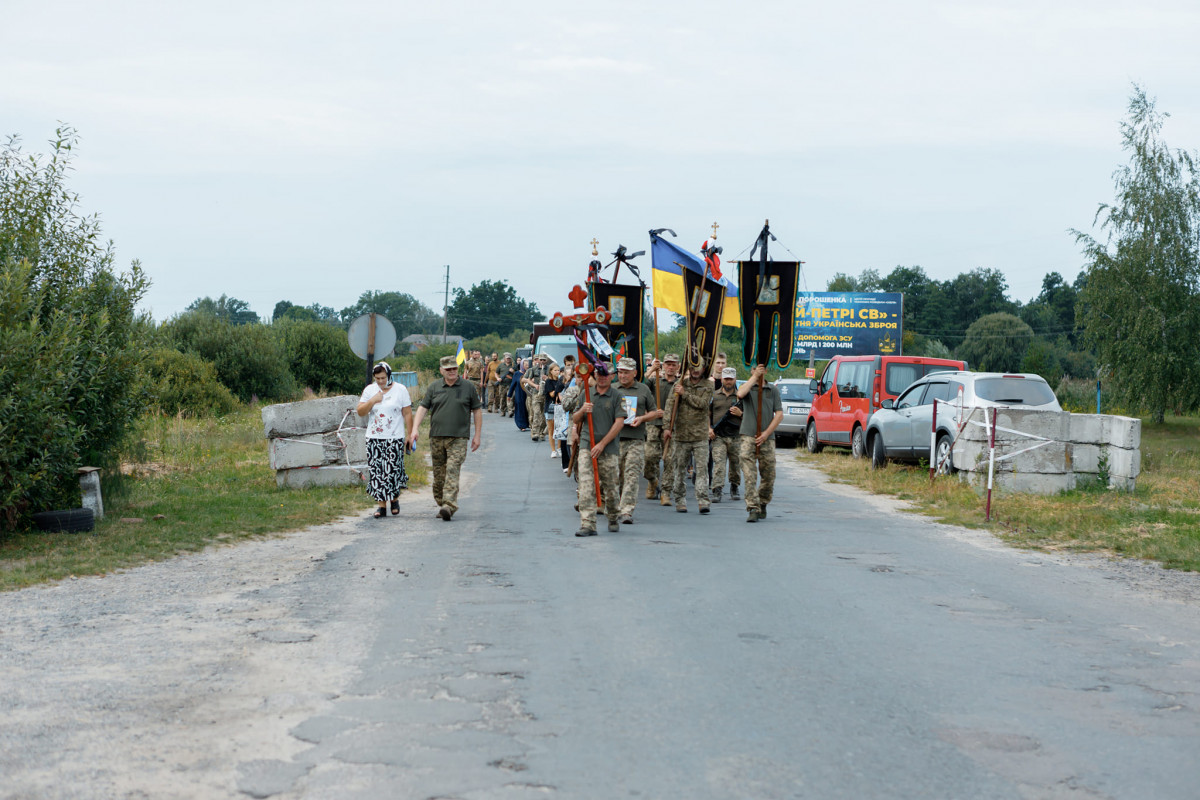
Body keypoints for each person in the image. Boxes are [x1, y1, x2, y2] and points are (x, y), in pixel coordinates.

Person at [409, 355, 483, 521]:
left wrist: (477, 435)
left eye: (454, 369)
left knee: (452, 469)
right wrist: (415, 429)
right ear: (441, 370)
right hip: (436, 437)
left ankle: (449, 505)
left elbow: (477, 411)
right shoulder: (434, 387)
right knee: (439, 475)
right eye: (448, 369)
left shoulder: (468, 387)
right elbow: (422, 408)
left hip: (459, 437)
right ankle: (442, 502)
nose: (452, 372)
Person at [571, 363, 624, 536]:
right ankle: (588, 523)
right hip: (587, 445)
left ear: (612, 376)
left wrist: (602, 444)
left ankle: (613, 515)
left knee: (611, 487)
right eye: (599, 374)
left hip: (608, 448)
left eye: (606, 374)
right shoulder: (587, 393)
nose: (602, 377)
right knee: (586, 486)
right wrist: (583, 411)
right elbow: (575, 418)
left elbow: (619, 422)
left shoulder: (616, 396)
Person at [356, 362, 413, 518]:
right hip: (374, 437)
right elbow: (360, 412)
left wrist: (410, 434)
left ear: (389, 375)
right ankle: (381, 506)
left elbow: (407, 413)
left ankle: (394, 500)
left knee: (393, 469)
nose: (380, 381)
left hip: (394, 436)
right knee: (377, 471)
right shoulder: (370, 390)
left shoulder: (400, 390)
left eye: (383, 377)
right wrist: (373, 400)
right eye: (377, 378)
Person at [663, 357, 714, 513]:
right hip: (681, 435)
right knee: (679, 469)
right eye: (693, 367)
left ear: (704, 369)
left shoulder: (708, 385)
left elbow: (703, 404)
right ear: (688, 369)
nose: (696, 370)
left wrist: (685, 394)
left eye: (699, 367)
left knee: (702, 469)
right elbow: (670, 406)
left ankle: (703, 500)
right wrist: (666, 427)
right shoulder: (680, 384)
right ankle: (679, 499)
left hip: (700, 435)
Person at [614, 356, 660, 524]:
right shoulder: (612, 389)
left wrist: (641, 419)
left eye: (626, 372)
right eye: (620, 372)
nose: (622, 376)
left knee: (632, 474)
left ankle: (627, 510)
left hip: (636, 439)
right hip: (615, 439)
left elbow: (654, 412)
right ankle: (614, 505)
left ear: (634, 373)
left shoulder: (643, 390)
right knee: (615, 476)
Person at [736, 364, 785, 523]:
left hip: (767, 438)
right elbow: (740, 393)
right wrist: (755, 377)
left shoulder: (773, 390)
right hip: (748, 436)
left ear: (766, 370)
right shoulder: (747, 387)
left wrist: (766, 433)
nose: (758, 370)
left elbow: (779, 414)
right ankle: (753, 508)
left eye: (761, 368)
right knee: (749, 475)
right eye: (754, 368)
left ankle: (763, 501)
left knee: (769, 475)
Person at [644, 353, 681, 505]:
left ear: (678, 366)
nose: (670, 367)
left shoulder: (680, 384)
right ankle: (652, 480)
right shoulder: (655, 381)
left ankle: (665, 492)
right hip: (654, 424)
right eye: (668, 364)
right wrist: (652, 369)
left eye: (673, 364)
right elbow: (639, 384)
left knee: (670, 460)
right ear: (663, 366)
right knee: (649, 457)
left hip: (672, 426)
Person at [710, 366, 743, 503]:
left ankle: (734, 487)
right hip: (719, 436)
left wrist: (740, 414)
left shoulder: (741, 396)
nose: (728, 382)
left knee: (735, 464)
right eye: (726, 379)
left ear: (735, 379)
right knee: (719, 464)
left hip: (736, 436)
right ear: (722, 379)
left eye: (731, 379)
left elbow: (751, 417)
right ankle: (717, 489)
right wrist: (709, 429)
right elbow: (707, 413)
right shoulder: (715, 395)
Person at [543, 363, 564, 458]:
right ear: (551, 371)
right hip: (550, 407)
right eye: (555, 370)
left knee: (559, 428)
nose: (557, 372)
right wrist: (558, 390)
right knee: (551, 429)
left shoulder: (561, 380)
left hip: (560, 407)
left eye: (558, 370)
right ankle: (553, 450)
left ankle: (559, 448)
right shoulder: (548, 381)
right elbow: (552, 395)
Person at [508, 358, 530, 431]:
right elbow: (512, 385)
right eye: (525, 365)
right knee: (520, 409)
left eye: (528, 365)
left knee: (527, 409)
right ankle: (521, 425)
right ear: (522, 365)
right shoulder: (517, 374)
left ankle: (528, 424)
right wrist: (509, 395)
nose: (527, 366)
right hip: (519, 394)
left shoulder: (530, 373)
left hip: (528, 394)